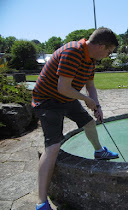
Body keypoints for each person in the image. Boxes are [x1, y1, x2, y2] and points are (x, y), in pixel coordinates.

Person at [32, 27, 119, 210]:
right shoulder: (73, 52)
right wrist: (87, 100)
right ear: (101, 46)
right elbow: (62, 88)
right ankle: (41, 202)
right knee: (53, 147)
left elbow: (90, 86)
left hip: (66, 97)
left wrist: (96, 104)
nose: (108, 56)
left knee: (88, 123)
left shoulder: (91, 60)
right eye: (109, 52)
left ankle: (99, 151)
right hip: (47, 100)